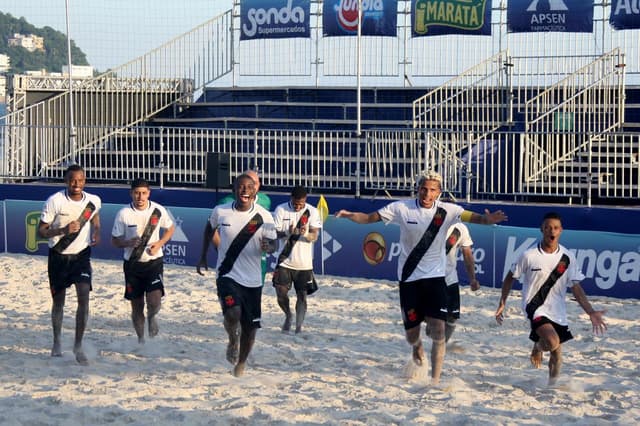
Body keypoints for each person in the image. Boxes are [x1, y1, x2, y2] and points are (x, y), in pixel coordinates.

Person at [336, 170, 507, 384]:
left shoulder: (449, 210)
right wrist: (349, 215)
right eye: (424, 189)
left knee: (439, 328)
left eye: (432, 190)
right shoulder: (400, 208)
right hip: (408, 279)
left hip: (436, 277)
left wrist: (487, 219)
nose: (427, 194)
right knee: (412, 335)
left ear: (439, 192)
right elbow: (369, 218)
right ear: (418, 188)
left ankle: (435, 380)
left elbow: (476, 218)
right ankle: (416, 347)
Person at [495, 212, 607, 386]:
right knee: (552, 341)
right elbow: (510, 278)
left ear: (561, 231)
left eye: (555, 228)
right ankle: (538, 347)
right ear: (542, 229)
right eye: (547, 227)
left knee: (557, 354)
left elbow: (576, 288)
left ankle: (551, 387)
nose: (551, 231)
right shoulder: (529, 255)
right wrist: (503, 302)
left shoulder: (567, 257)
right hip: (534, 306)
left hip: (557, 310)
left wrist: (590, 312)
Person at [207, 173, 277, 377]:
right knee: (232, 313)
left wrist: (269, 246)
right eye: (241, 186)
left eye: (249, 186)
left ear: (255, 190)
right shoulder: (220, 211)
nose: (245, 190)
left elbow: (273, 244)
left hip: (253, 278)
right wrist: (204, 255)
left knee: (250, 328)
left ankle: (242, 363)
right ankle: (232, 340)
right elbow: (209, 229)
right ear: (234, 189)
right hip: (227, 273)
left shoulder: (265, 216)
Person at [38, 164, 102, 366]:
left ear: (85, 181)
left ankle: (78, 345)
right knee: (59, 302)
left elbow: (95, 217)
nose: (76, 184)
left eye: (80, 180)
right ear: (66, 181)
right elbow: (41, 231)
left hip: (81, 257)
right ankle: (57, 341)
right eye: (72, 180)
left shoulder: (94, 200)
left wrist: (96, 231)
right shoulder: (54, 201)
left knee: (84, 297)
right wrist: (63, 230)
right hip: (58, 257)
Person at [111, 178, 175, 344]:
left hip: (153, 261)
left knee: (154, 301)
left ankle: (152, 317)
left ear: (149, 194)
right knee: (137, 305)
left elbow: (171, 228)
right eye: (137, 193)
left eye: (143, 193)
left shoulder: (158, 210)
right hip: (132, 264)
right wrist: (127, 243)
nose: (140, 197)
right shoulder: (123, 213)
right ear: (131, 193)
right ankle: (141, 340)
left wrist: (160, 243)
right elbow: (115, 240)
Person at [197, 169, 271, 276]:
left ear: (259, 185)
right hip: (231, 261)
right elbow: (211, 228)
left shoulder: (265, 200)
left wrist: (268, 246)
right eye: (246, 183)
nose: (251, 187)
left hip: (255, 258)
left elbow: (269, 235)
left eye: (254, 183)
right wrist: (221, 249)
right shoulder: (225, 203)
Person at [272, 185, 322, 334]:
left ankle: (299, 326)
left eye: (300, 204)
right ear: (291, 198)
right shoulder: (281, 209)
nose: (298, 207)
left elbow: (315, 236)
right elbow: (275, 233)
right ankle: (288, 315)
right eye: (295, 204)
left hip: (304, 263)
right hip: (284, 260)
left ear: (305, 200)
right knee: (280, 293)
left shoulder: (312, 211)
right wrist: (288, 232)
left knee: (302, 296)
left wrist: (305, 234)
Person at [441, 221, 480, 343]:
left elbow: (467, 255)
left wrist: (472, 279)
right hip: (429, 277)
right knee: (432, 317)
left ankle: (442, 345)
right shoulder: (427, 223)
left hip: (450, 278)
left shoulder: (460, 228)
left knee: (452, 317)